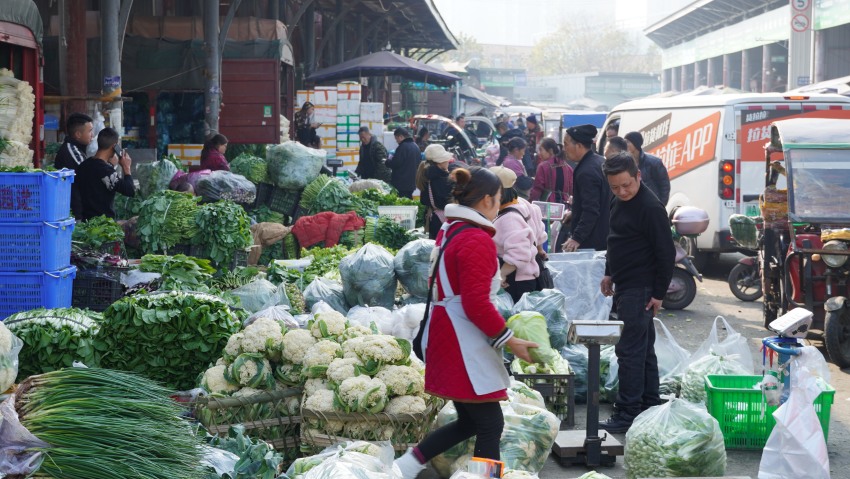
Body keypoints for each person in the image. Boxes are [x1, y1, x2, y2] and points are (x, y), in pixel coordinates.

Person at [393, 166, 538, 479]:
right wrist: (510, 339)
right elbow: (476, 303)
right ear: (487, 200)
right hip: (462, 340)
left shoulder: (451, 229)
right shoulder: (476, 238)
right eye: (499, 199)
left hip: (446, 331)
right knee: (489, 424)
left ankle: (405, 466)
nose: (500, 205)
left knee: (471, 421)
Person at [599, 152, 675, 433]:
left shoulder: (651, 207)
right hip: (624, 283)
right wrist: (609, 272)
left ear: (638, 176)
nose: (622, 191)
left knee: (629, 351)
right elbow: (614, 240)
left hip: (641, 287)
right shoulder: (617, 201)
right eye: (615, 187)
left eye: (626, 185)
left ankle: (628, 412)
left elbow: (666, 253)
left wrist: (658, 293)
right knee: (642, 350)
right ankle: (648, 404)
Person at [490, 166, 548, 302]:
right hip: (531, 276)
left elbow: (519, 254)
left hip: (517, 280)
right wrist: (539, 250)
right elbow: (539, 232)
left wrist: (501, 274)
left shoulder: (509, 218)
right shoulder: (522, 203)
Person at [562, 124, 610, 252]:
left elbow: (591, 209)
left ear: (578, 146)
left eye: (566, 144)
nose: (564, 149)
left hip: (594, 241)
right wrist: (575, 213)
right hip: (606, 234)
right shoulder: (599, 161)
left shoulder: (586, 171)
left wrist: (576, 238)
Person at [75, 128, 135, 221]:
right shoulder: (105, 170)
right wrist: (126, 167)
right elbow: (129, 190)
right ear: (114, 146)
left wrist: (111, 165)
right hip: (103, 226)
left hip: (85, 222)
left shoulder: (83, 165)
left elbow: (98, 178)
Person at [531, 138, 574, 252]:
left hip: (546, 208)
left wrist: (531, 203)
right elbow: (572, 190)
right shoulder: (568, 167)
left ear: (550, 151)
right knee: (559, 236)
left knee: (545, 235)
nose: (539, 153)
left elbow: (537, 189)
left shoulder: (543, 166)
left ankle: (545, 255)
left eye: (541, 150)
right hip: (564, 209)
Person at [55, 112, 94, 218]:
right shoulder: (71, 150)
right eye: (90, 131)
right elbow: (91, 175)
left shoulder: (77, 149)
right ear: (78, 134)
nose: (92, 135)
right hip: (73, 211)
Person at [416, 144, 453, 239]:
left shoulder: (426, 174)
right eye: (446, 159)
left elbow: (423, 200)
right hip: (443, 222)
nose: (448, 161)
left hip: (432, 218)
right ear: (440, 162)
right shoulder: (442, 179)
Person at [624, 131, 671, 206]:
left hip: (651, 205)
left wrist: (660, 205)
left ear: (635, 143)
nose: (625, 145)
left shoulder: (654, 162)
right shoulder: (625, 163)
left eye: (628, 142)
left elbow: (664, 185)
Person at [386, 127, 421, 199]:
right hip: (412, 182)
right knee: (408, 200)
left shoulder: (402, 147)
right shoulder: (416, 146)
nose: (396, 141)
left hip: (401, 183)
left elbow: (396, 163)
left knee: (402, 203)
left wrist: (387, 162)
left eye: (396, 138)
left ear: (401, 136)